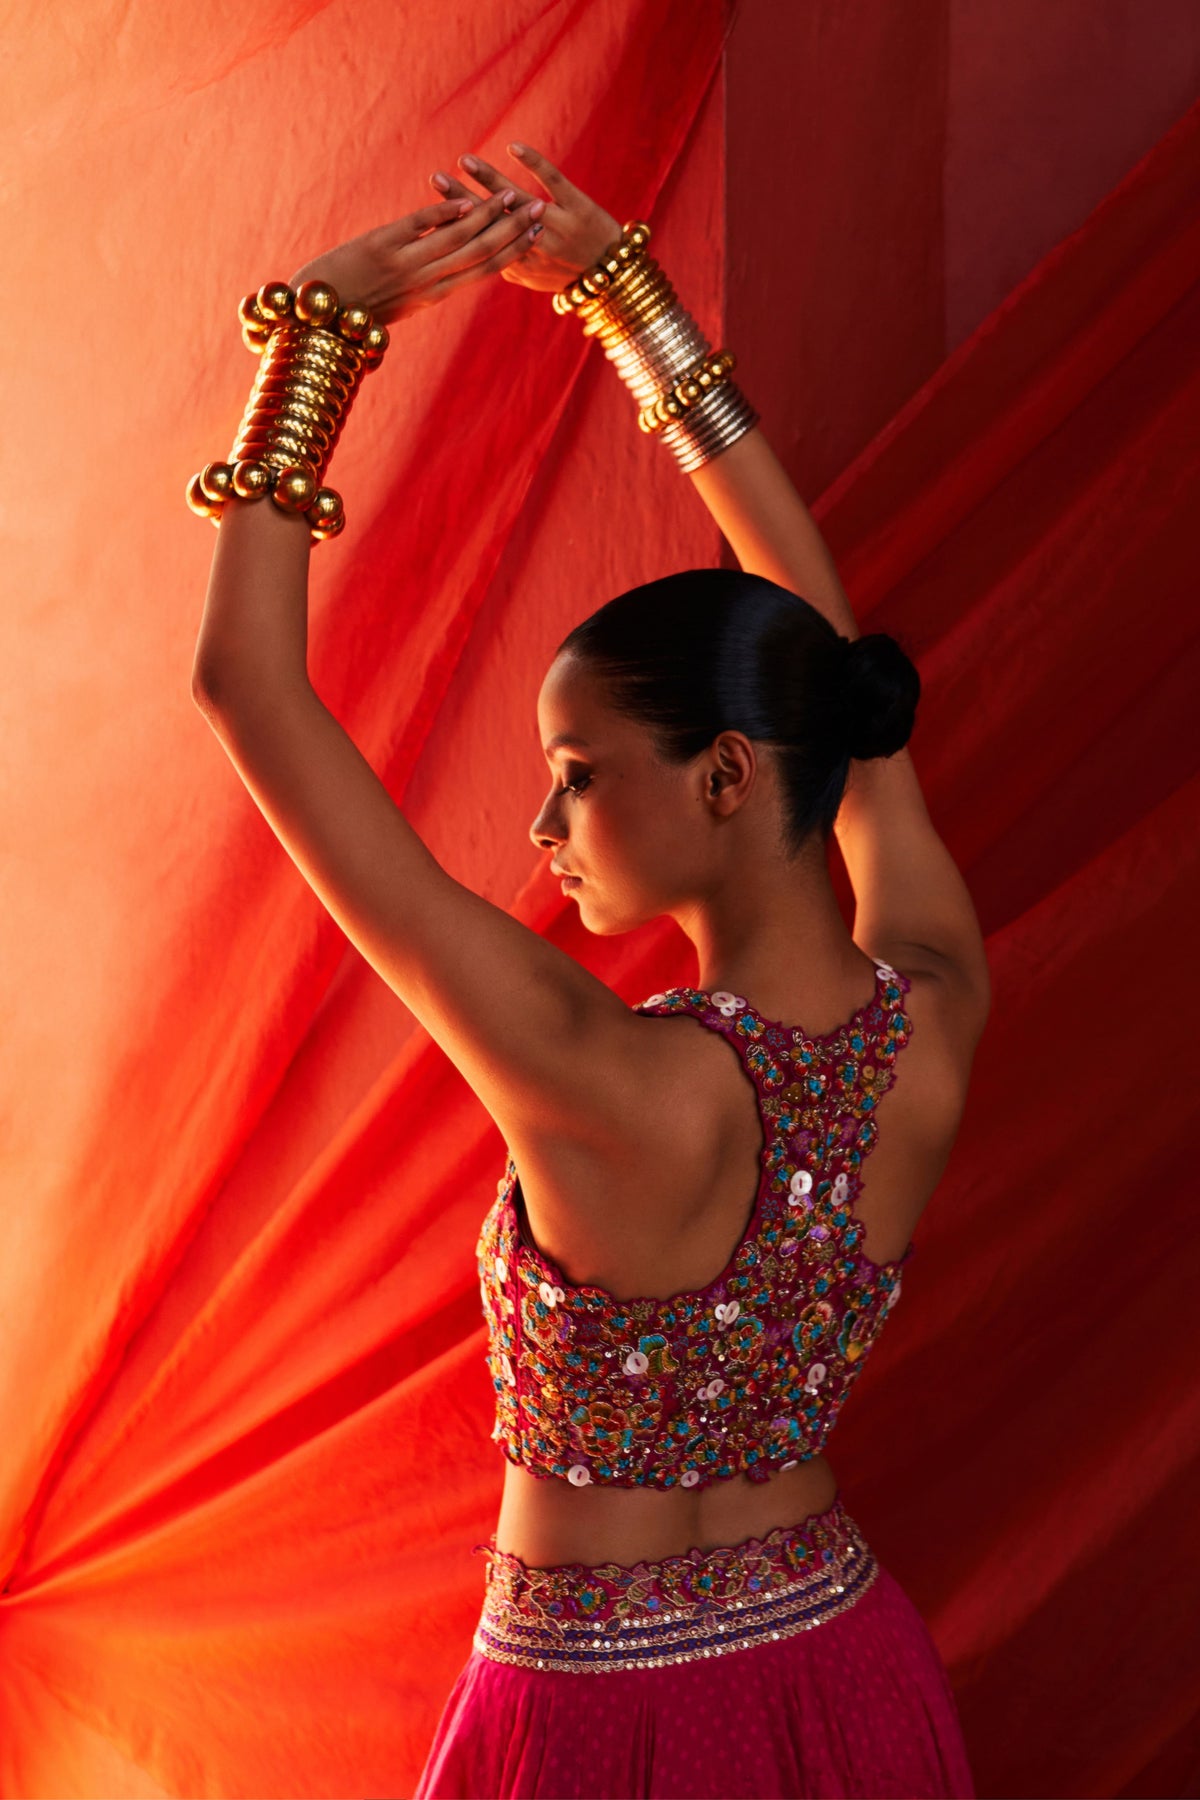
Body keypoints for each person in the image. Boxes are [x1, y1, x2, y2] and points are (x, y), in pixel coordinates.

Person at [189, 140, 987, 1800]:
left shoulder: (597, 1074)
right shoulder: (934, 1003)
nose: (544, 818)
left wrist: (319, 340)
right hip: (842, 1669)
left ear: (721, 776)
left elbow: (249, 692)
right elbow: (828, 666)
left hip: (599, 1720)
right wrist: (634, 310)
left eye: (578, 769)